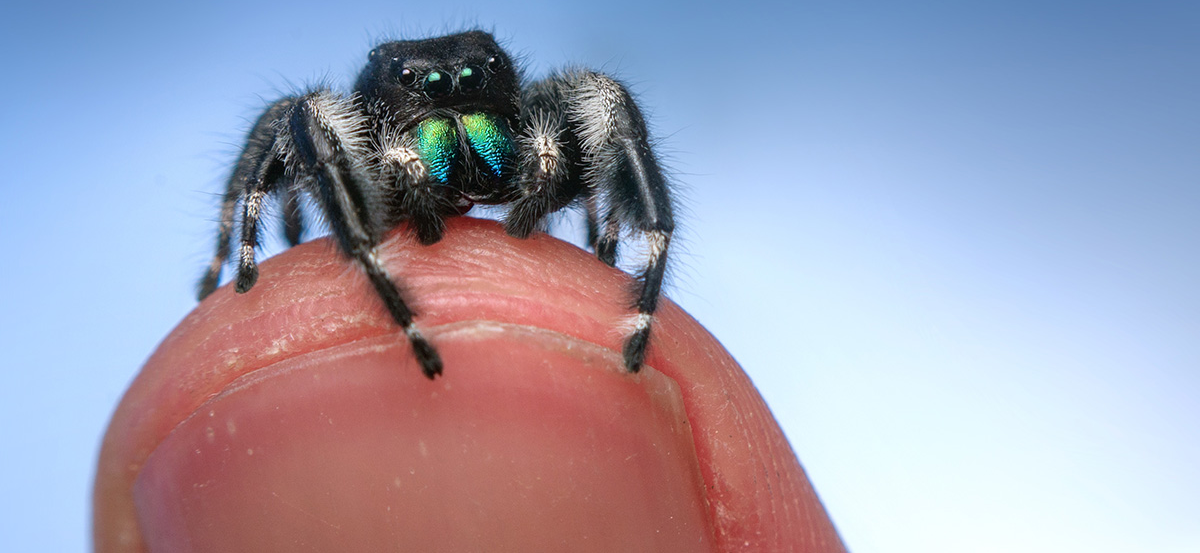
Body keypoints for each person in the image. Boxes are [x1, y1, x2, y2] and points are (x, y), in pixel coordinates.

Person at [94, 218, 846, 552]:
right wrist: (246, 235)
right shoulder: (346, 128)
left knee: (601, 94)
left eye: (470, 94)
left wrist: (623, 263)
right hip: (371, 239)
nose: (448, 113)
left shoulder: (528, 127)